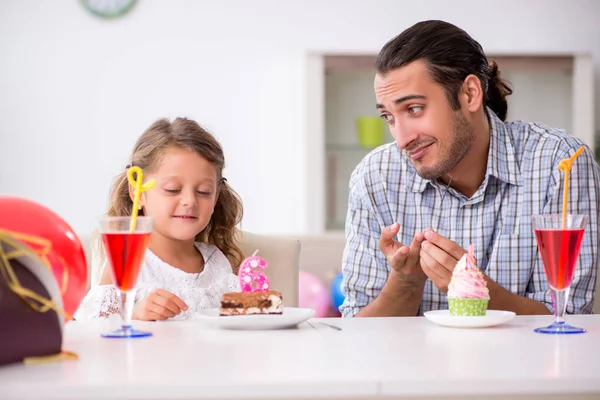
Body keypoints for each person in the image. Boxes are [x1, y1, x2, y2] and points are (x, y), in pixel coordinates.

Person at [340, 20, 600, 318]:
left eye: (414, 109)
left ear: (470, 94)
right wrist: (406, 280)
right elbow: (356, 333)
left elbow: (569, 316)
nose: (401, 139)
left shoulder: (560, 164)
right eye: (388, 116)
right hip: (411, 365)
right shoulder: (375, 177)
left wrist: (472, 287)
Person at [75, 117, 244, 321]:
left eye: (204, 191)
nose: (190, 201)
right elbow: (95, 329)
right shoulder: (128, 263)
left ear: (216, 196)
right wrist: (135, 315)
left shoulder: (217, 263)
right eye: (172, 189)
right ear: (138, 192)